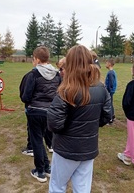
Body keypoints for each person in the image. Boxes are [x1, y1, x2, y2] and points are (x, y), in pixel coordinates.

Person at [47, 45, 112, 192]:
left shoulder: (66, 90)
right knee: (82, 187)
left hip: (68, 149)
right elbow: (106, 115)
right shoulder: (100, 88)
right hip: (86, 148)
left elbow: (53, 123)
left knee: (58, 186)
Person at [21, 46, 61, 183]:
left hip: (35, 112)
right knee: (41, 140)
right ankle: (47, 167)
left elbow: (26, 96)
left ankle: (40, 171)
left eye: (33, 58)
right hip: (50, 112)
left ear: (37, 59)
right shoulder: (57, 75)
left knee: (36, 141)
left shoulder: (33, 75)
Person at [105, 58, 117, 124]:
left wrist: (108, 91)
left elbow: (111, 83)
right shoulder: (112, 72)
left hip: (110, 91)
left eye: (106, 63)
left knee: (109, 104)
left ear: (109, 64)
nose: (105, 64)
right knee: (110, 103)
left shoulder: (110, 73)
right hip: (111, 91)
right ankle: (112, 116)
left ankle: (110, 119)